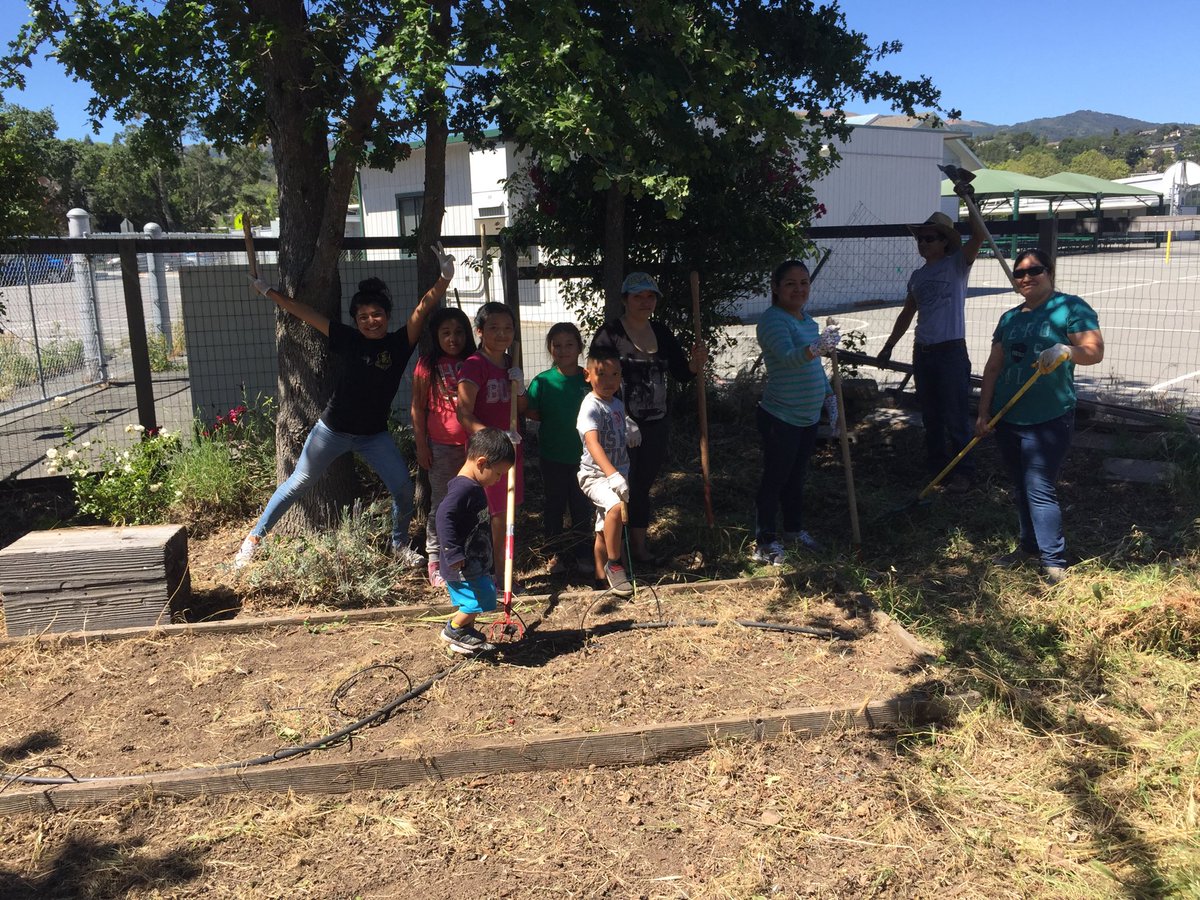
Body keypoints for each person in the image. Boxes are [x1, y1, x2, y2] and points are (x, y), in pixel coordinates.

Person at [235, 246, 456, 569]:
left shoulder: (399, 343)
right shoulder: (348, 338)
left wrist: (444, 279)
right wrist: (268, 290)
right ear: (355, 320)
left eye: (377, 315)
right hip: (332, 431)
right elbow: (304, 312)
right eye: (363, 317)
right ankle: (253, 540)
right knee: (298, 483)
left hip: (374, 435)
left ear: (387, 315)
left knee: (403, 489)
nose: (371, 321)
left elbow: (423, 309)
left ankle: (399, 543)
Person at [976, 249, 1104, 584]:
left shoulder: (1071, 308)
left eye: (1034, 270)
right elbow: (994, 367)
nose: (1026, 277)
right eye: (1019, 273)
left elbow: (1094, 351)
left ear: (1049, 272)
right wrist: (984, 411)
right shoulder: (1010, 318)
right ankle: (1028, 547)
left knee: (1039, 487)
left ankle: (1053, 562)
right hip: (1008, 416)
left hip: (1048, 417)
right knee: (1020, 486)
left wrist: (1067, 351)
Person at [589, 272, 707, 564]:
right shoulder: (610, 335)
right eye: (638, 296)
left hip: (656, 423)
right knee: (618, 485)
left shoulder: (662, 332)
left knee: (642, 485)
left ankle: (639, 548)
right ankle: (614, 554)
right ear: (625, 299)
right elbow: (597, 378)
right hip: (619, 425)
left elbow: (682, 372)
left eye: (650, 296)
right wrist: (620, 415)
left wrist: (696, 363)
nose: (645, 302)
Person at [877, 200, 987, 492]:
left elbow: (979, 235)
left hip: (950, 351)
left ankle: (964, 471)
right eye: (920, 239)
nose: (923, 243)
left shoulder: (957, 265)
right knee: (931, 415)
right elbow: (907, 313)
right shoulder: (918, 276)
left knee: (955, 414)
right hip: (923, 352)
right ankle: (937, 469)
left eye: (929, 238)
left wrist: (969, 200)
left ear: (944, 241)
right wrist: (889, 345)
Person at [751, 259, 840, 566]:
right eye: (790, 283)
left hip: (807, 416)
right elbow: (788, 358)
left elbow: (813, 368)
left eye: (804, 283)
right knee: (776, 477)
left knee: (797, 476)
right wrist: (817, 347)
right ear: (776, 288)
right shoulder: (772, 321)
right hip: (781, 416)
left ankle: (793, 530)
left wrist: (829, 397)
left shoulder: (807, 319)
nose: (799, 289)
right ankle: (764, 541)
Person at [456, 302, 527, 586]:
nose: (502, 333)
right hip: (488, 454)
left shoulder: (511, 363)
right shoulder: (474, 365)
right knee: (495, 513)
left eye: (508, 328)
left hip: (512, 449)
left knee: (508, 511)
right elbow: (464, 414)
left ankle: (503, 572)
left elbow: (522, 407)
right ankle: (495, 576)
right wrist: (494, 438)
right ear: (480, 331)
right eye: (494, 328)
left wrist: (520, 387)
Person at [437, 428, 517, 654]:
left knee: (478, 595)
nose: (499, 480)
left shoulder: (473, 486)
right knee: (480, 598)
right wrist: (452, 552)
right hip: (462, 563)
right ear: (481, 463)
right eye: (498, 474)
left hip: (474, 560)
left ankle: (465, 635)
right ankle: (453, 629)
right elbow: (443, 516)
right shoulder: (463, 488)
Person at [412, 307, 476, 587]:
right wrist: (421, 445)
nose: (453, 338)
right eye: (446, 332)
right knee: (442, 503)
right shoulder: (427, 365)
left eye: (459, 332)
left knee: (472, 503)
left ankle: (466, 555)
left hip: (474, 447)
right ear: (435, 335)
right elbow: (417, 407)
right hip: (440, 446)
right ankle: (436, 559)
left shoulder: (474, 361)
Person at [526, 322, 594, 575]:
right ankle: (553, 553)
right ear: (549, 349)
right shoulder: (542, 381)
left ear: (579, 347)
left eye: (569, 344)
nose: (563, 350)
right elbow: (531, 410)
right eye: (557, 345)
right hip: (552, 455)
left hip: (585, 457)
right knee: (554, 505)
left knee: (581, 506)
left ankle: (583, 552)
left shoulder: (589, 378)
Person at [576, 346, 635, 598]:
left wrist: (630, 426)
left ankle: (601, 579)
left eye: (615, 374)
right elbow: (592, 442)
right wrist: (612, 475)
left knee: (605, 529)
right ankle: (614, 563)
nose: (609, 381)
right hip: (596, 476)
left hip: (619, 475)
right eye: (601, 374)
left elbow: (618, 422)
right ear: (587, 375)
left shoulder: (617, 404)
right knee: (615, 509)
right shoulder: (590, 406)